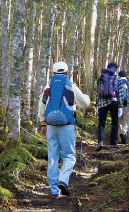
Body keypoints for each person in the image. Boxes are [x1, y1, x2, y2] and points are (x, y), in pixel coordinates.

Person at [38, 61, 90, 198]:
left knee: (53, 157)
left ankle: (54, 190)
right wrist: (87, 98)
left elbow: (41, 106)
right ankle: (63, 179)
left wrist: (42, 124)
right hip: (67, 124)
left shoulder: (48, 86)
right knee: (69, 155)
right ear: (67, 73)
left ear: (53, 73)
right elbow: (84, 104)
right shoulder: (71, 85)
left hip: (50, 126)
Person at [95, 62, 127, 151]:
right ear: (116, 69)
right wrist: (120, 104)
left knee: (101, 123)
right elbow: (121, 93)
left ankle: (100, 141)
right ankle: (113, 143)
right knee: (115, 123)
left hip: (102, 103)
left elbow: (98, 92)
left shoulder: (101, 78)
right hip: (114, 102)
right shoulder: (118, 79)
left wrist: (97, 103)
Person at [117, 71, 129, 144]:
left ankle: (120, 137)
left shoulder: (115, 82)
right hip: (127, 104)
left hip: (118, 105)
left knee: (119, 121)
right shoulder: (128, 83)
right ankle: (124, 133)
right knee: (126, 121)